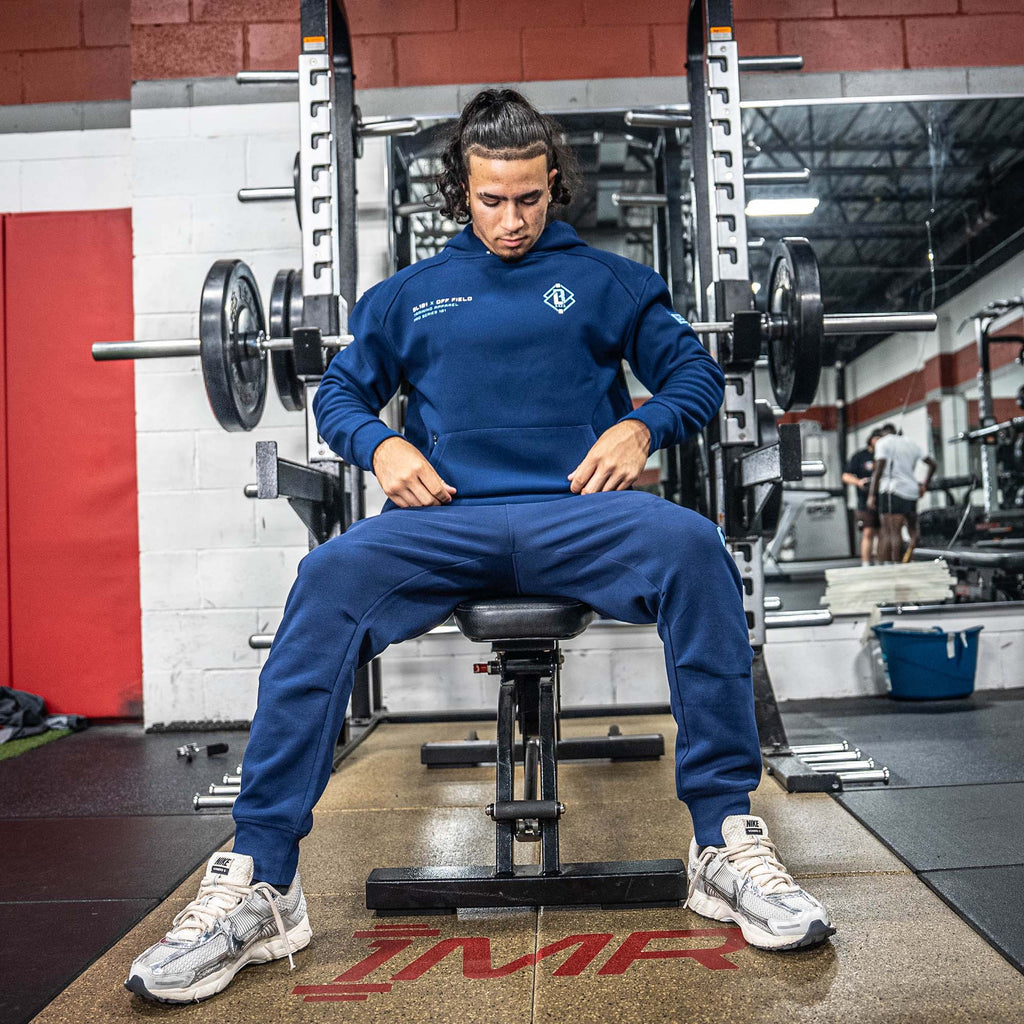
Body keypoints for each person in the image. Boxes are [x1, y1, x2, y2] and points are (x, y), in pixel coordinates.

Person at [126, 90, 833, 1005]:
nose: (512, 220)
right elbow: (340, 394)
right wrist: (380, 444)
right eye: (493, 200)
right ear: (463, 193)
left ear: (554, 188)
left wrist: (645, 426)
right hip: (442, 520)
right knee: (328, 577)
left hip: (576, 512)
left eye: (530, 200)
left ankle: (725, 840)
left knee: (695, 549)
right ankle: (262, 879)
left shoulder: (609, 281)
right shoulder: (408, 296)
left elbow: (693, 371)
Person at [867, 423, 937, 562]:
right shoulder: (911, 443)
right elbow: (933, 464)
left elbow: (879, 469)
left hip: (892, 490)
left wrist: (872, 495)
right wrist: (924, 484)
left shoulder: (883, 443)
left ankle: (893, 566)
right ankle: (908, 559)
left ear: (884, 433)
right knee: (913, 532)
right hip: (911, 491)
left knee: (890, 533)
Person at [842, 431, 881, 565]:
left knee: (883, 533)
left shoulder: (884, 456)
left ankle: (882, 562)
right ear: (870, 439)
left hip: (883, 499)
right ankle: (866, 563)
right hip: (865, 500)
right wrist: (858, 482)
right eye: (877, 438)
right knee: (868, 531)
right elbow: (845, 476)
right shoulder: (860, 456)